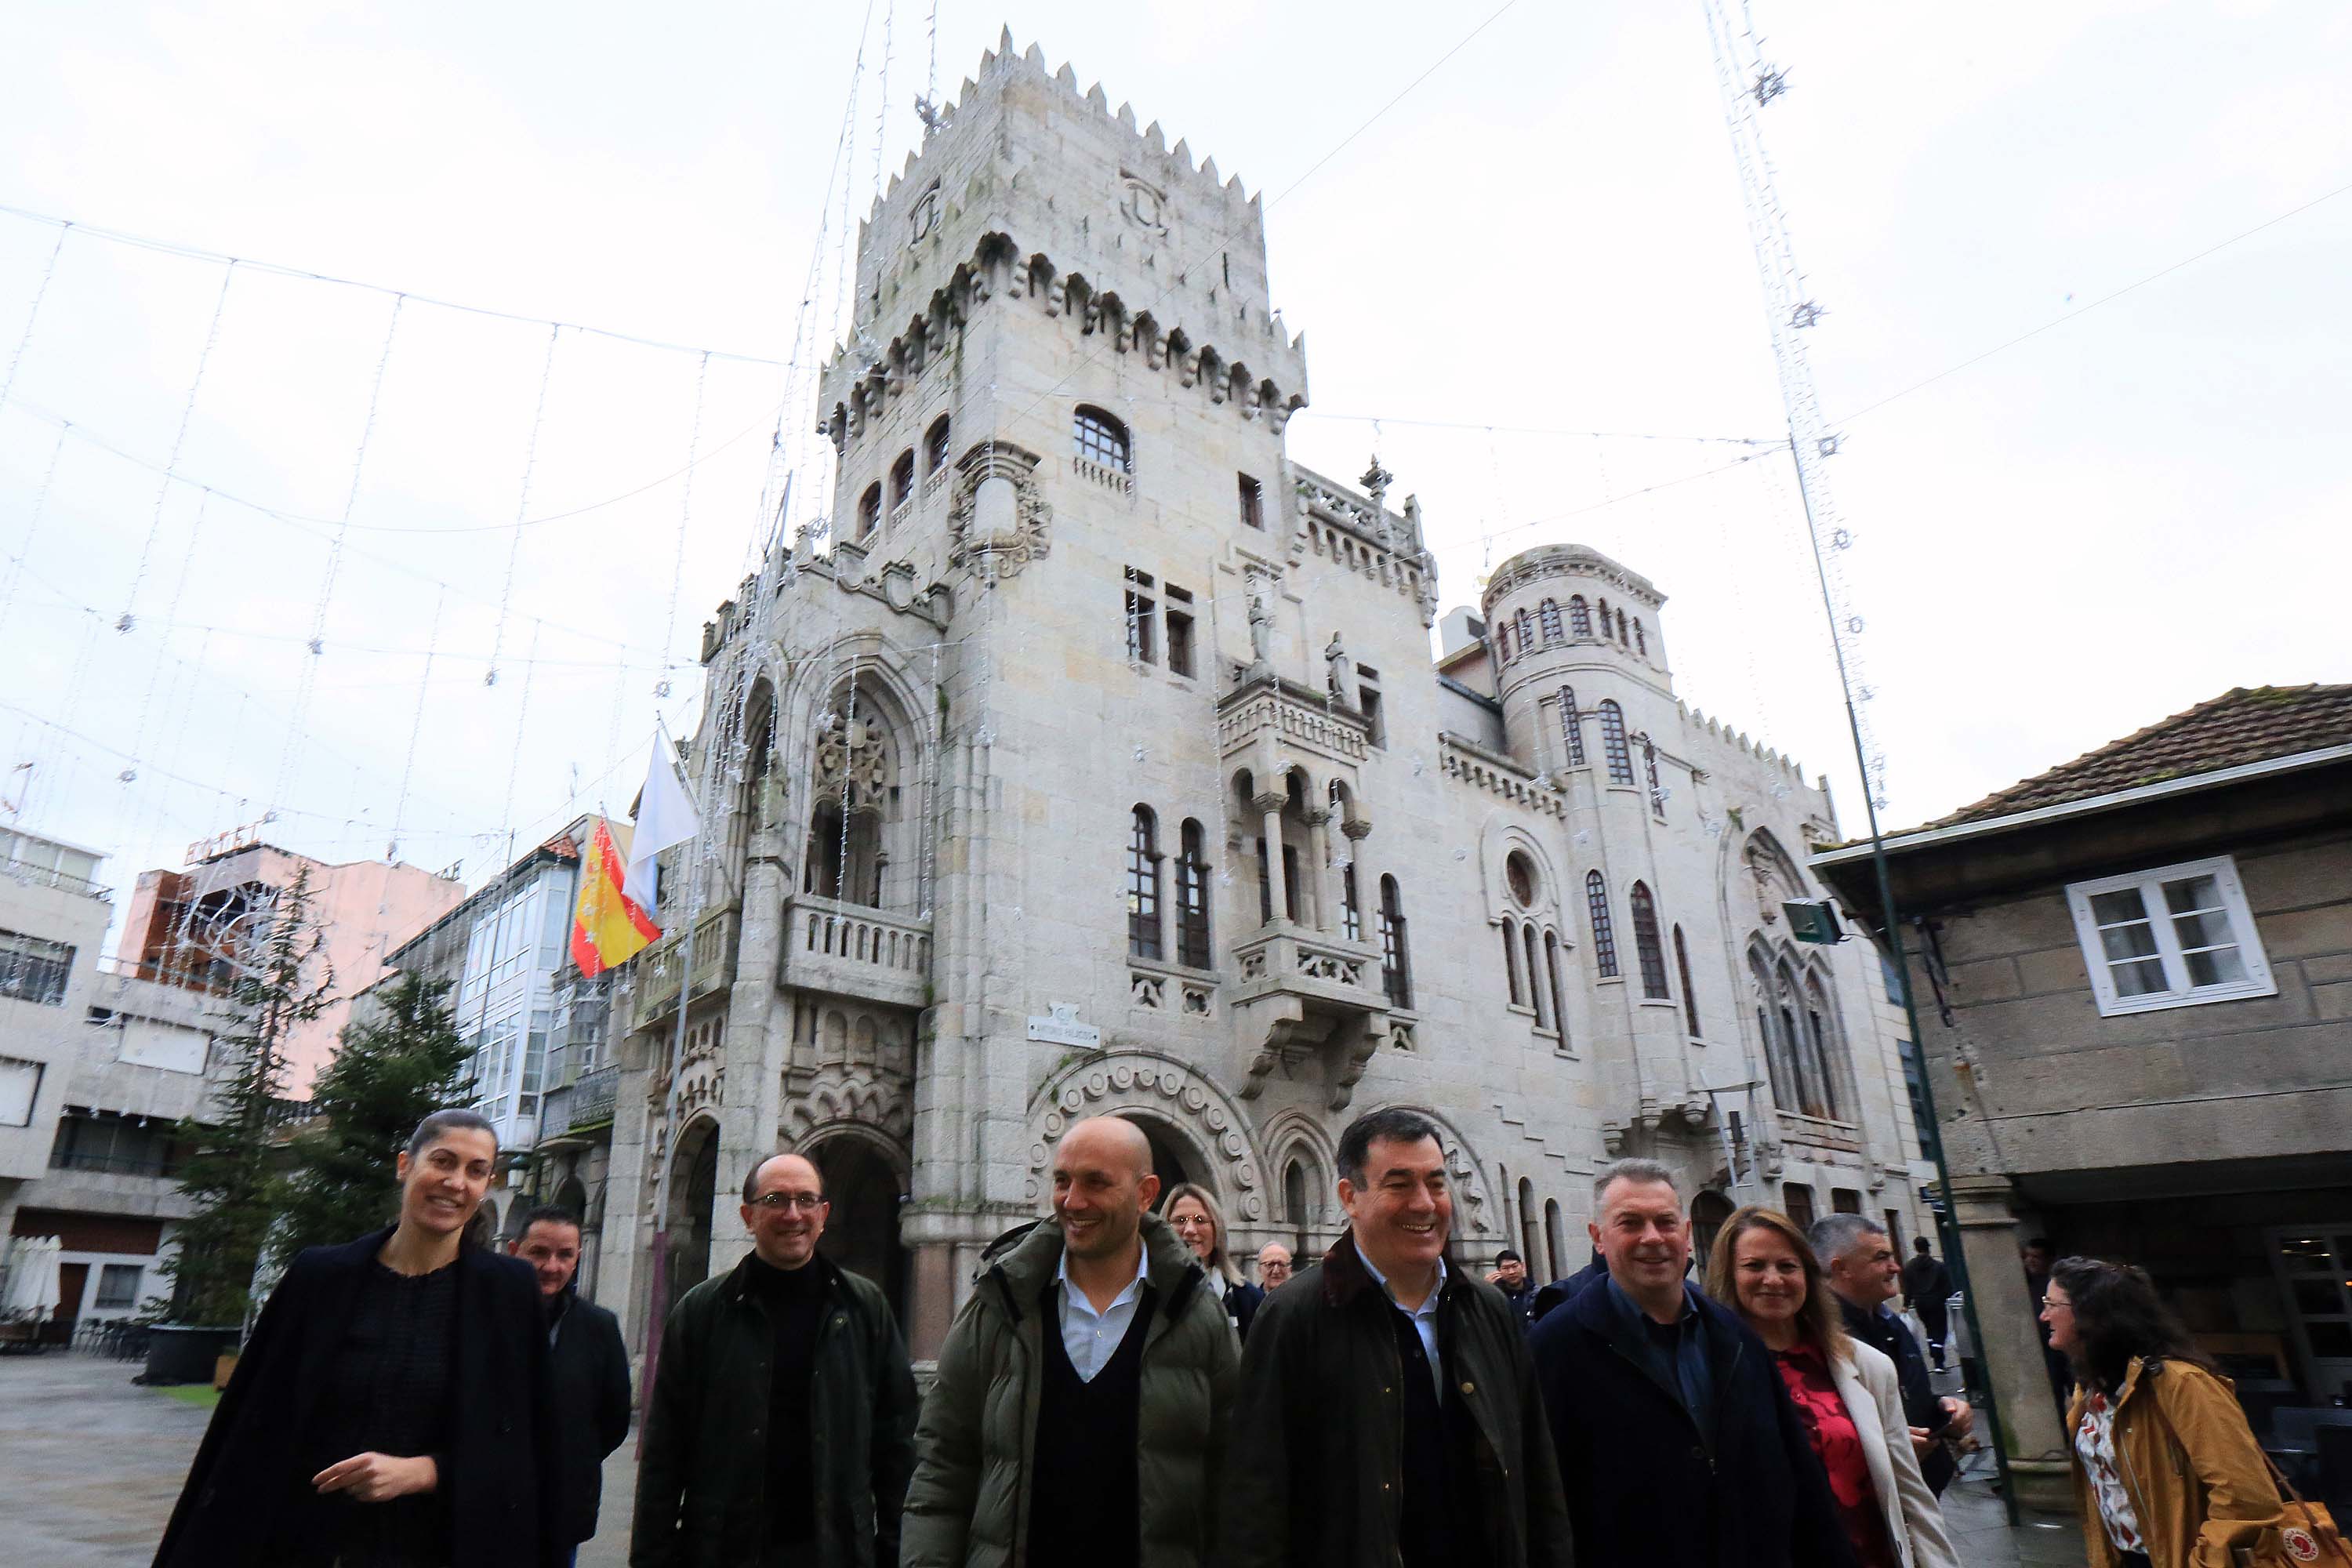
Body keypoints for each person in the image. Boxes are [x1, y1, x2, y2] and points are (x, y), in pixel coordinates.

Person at [156, 1109, 559, 1568]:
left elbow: (528, 1442)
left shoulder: (508, 1291)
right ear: (405, 1165)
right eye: (443, 1162)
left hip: (437, 1544)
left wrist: (427, 1472)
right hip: (305, 1539)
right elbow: (252, 1420)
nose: (456, 1183)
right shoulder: (321, 1276)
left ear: (487, 1185)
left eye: (476, 1171)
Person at [1221, 1107, 1572, 1568]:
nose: (1425, 1203)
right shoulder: (1293, 1316)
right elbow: (1256, 1497)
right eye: (1400, 1184)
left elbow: (1536, 1470)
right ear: (1350, 1196)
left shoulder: (1486, 1309)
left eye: (1437, 1183)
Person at [903, 1116, 1238, 1568]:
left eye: (1096, 1183)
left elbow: (1233, 1477)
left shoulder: (1196, 1315)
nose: (1073, 1201)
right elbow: (943, 1465)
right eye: (1062, 1181)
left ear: (1145, 1194)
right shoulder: (1000, 1305)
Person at [1530, 1157, 1857, 1568]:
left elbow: (1799, 1480)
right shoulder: (1555, 1347)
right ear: (1598, 1237)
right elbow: (1544, 1502)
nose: (1652, 1238)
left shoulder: (1736, 1337)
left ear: (1686, 1235)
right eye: (1630, 1223)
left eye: (1665, 1222)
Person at [633, 1151, 916, 1568]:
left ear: (823, 1213)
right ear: (748, 1216)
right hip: (726, 1548)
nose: (792, 1214)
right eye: (775, 1201)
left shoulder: (864, 1307)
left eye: (805, 1200)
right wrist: (651, 1557)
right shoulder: (703, 1312)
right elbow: (664, 1451)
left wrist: (897, 1548)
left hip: (835, 1549)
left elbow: (897, 1442)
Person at [1710, 1207, 1960, 1568]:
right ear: (1729, 1276)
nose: (1773, 1279)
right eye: (1753, 1266)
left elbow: (1910, 1491)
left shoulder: (1865, 1365)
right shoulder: (1708, 1367)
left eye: (1787, 1266)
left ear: (1809, 1276)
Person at [2045, 1257, 2288, 1568]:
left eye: (2052, 1303)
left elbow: (2247, 1499)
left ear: (2092, 1315)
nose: (2043, 1315)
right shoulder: (2089, 1389)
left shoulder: (2183, 1384)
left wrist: (2203, 1561)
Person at [1813, 1214, 1972, 1498]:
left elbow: (1901, 1395)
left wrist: (1941, 1410)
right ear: (1842, 1268)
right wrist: (1885, 1450)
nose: (1896, 1267)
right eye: (1881, 1258)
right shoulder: (1822, 1339)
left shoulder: (1891, 1323)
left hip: (1921, 1487)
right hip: (1876, 1505)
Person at [510, 1205, 630, 1566]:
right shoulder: (484, 1316)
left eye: (565, 1255)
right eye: (539, 1253)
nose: (552, 1266)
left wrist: (572, 1457)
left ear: (578, 1257)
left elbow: (614, 1419)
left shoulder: (600, 1327)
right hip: (487, 1502)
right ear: (514, 1251)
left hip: (562, 1507)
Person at [1165, 1181, 1263, 1341]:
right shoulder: (1146, 1295)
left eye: (1199, 1220)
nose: (1190, 1230)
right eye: (1180, 1220)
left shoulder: (1249, 1300)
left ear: (1216, 1229)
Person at [2024, 1237, 2074, 1416]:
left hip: (2065, 1348)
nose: (2030, 1261)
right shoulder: (2024, 1283)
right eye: (2027, 1256)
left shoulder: (2057, 1284)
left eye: (2036, 1257)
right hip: (2044, 1350)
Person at [1900, 1237, 1954, 1372]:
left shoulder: (1909, 1267)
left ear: (1916, 1248)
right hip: (1936, 1302)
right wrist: (1949, 1298)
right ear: (1928, 1248)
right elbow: (1947, 1286)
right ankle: (1938, 1362)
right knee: (1940, 1331)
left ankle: (1933, 1350)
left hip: (1920, 1304)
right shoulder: (1939, 1266)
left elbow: (1908, 1288)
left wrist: (1906, 1304)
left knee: (1929, 1328)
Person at [1488, 1247, 1539, 1327]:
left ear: (1522, 1266)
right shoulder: (1495, 1296)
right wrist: (1486, 1289)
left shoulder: (1537, 1294)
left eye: (1514, 1266)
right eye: (1505, 1268)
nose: (1511, 1272)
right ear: (1498, 1271)